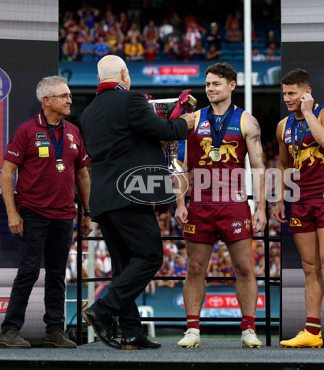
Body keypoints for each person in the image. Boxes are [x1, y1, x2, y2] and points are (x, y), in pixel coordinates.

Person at [79, 55, 195, 350]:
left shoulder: (88, 113)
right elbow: (164, 132)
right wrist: (185, 122)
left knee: (123, 266)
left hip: (103, 199)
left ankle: (131, 333)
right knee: (150, 256)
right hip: (131, 193)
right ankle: (103, 309)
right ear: (124, 74)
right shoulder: (131, 101)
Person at [175, 62, 266, 348]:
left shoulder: (247, 121)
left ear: (231, 85)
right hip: (200, 204)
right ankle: (192, 330)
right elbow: (182, 165)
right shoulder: (192, 119)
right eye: (207, 84)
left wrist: (261, 207)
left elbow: (259, 167)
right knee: (195, 266)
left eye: (215, 83)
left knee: (244, 267)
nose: (210, 89)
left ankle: (249, 329)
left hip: (234, 203)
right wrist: (180, 201)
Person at [0, 76, 92, 348]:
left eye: (69, 95)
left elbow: (83, 175)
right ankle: (10, 331)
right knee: (28, 271)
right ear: (47, 100)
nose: (69, 100)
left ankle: (54, 330)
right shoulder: (26, 130)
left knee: (56, 274)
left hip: (65, 215)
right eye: (63, 96)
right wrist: (12, 214)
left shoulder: (74, 131)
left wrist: (87, 212)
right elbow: (7, 173)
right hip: (33, 213)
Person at [272, 68, 324, 349]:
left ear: (306, 93)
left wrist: (308, 113)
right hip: (300, 200)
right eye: (284, 94)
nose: (287, 98)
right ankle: (312, 330)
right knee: (309, 267)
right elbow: (283, 164)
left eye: (291, 93)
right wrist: (280, 199)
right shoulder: (283, 125)